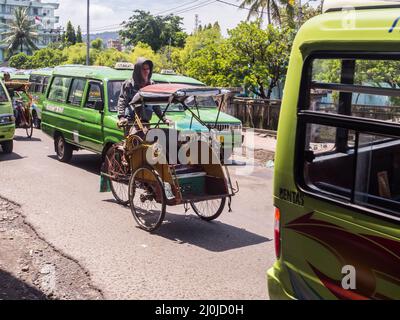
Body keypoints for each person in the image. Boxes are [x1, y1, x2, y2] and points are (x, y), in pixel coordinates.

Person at [117, 58, 171, 135]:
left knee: (150, 142)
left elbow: (155, 105)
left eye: (148, 69)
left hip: (145, 122)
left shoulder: (151, 85)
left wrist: (164, 119)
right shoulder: (128, 84)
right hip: (131, 122)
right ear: (138, 71)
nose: (146, 71)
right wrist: (121, 117)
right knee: (135, 141)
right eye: (143, 69)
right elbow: (122, 101)